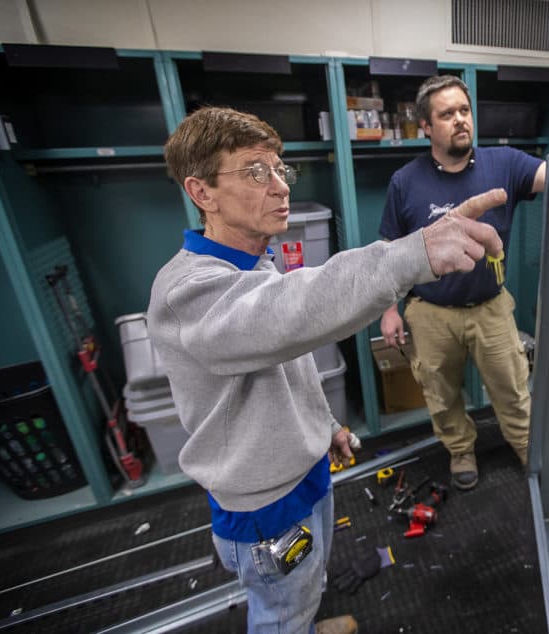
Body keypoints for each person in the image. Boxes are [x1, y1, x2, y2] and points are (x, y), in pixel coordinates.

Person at [147, 106, 506, 634]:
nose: (279, 186)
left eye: (278, 169)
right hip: (265, 507)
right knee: (279, 612)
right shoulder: (188, 291)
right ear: (202, 193)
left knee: (307, 584)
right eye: (254, 171)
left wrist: (323, 429)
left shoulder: (257, 264)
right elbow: (291, 312)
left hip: (306, 474)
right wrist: (415, 253)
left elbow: (288, 357)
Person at [378, 75, 549, 490]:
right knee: (441, 394)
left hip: (491, 306)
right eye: (447, 114)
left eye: (464, 111)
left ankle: (525, 447)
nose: (460, 120)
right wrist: (389, 310)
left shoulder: (504, 163)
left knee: (514, 389)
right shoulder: (404, 182)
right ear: (426, 126)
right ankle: (461, 450)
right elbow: (388, 251)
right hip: (430, 312)